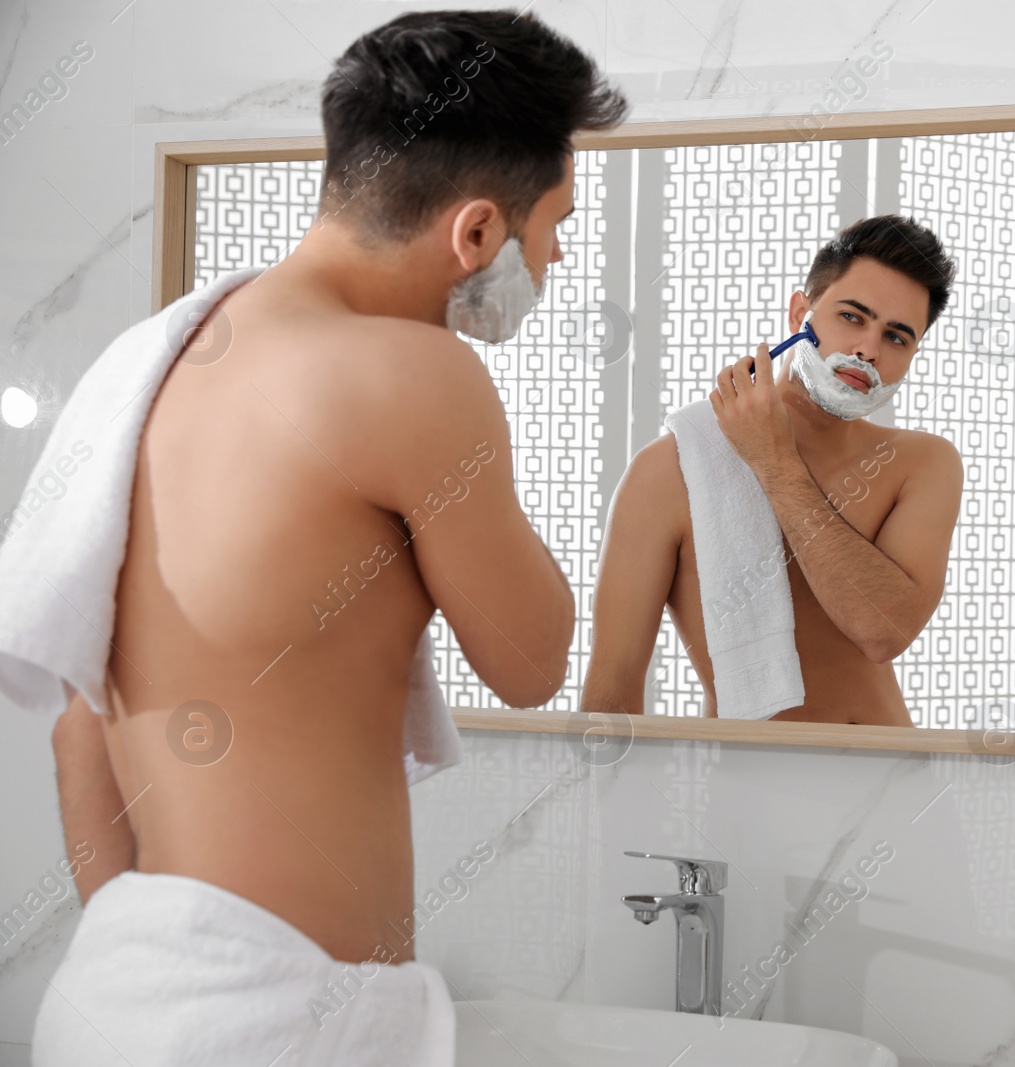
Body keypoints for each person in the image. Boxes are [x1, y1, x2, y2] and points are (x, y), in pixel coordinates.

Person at [34, 10, 624, 1063]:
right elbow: (533, 659)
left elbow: (77, 726)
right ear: (477, 233)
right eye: (554, 225)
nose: (559, 254)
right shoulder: (416, 373)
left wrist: (160, 971)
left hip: (121, 990)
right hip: (269, 1022)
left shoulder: (148, 365)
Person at [583, 215, 963, 727]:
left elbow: (883, 631)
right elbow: (612, 690)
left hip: (891, 781)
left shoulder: (921, 463)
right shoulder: (670, 470)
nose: (868, 349)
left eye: (896, 337)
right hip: (742, 793)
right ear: (800, 312)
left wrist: (773, 460)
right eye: (852, 317)